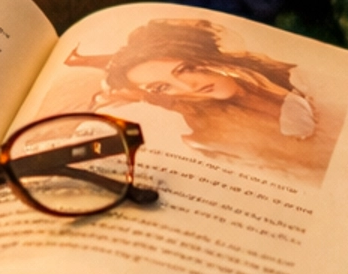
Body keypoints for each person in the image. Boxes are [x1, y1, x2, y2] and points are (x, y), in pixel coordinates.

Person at [80, 15, 327, 176]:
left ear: (203, 55)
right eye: (162, 87)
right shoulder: (207, 137)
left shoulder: (302, 81)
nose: (188, 87)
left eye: (186, 69)